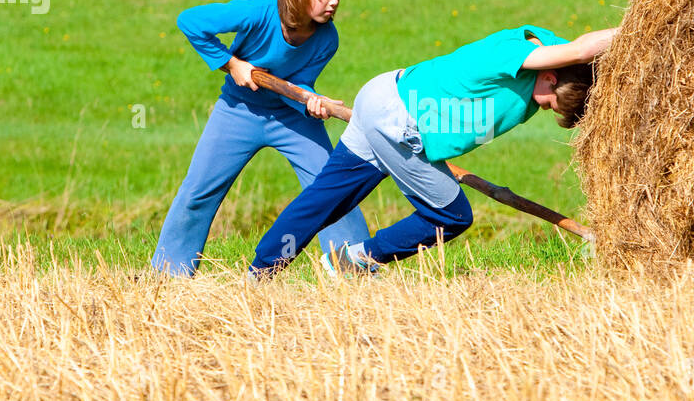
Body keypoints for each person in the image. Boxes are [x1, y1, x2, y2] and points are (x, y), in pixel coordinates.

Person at [249, 24, 617, 276]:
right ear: (550, 74)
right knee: (452, 216)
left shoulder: (545, 54)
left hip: (383, 96)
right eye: (551, 103)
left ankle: (260, 272)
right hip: (400, 121)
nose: (546, 109)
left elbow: (579, 57)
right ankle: (354, 260)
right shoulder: (515, 57)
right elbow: (582, 48)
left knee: (326, 199)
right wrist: (643, 25)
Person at [151, 0, 371, 276]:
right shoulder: (258, 12)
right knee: (199, 191)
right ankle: (168, 274)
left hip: (291, 118)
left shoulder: (327, 39)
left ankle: (356, 273)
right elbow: (190, 21)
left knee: (333, 189)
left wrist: (310, 102)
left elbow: (297, 84)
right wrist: (231, 63)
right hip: (238, 110)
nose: (335, 3)